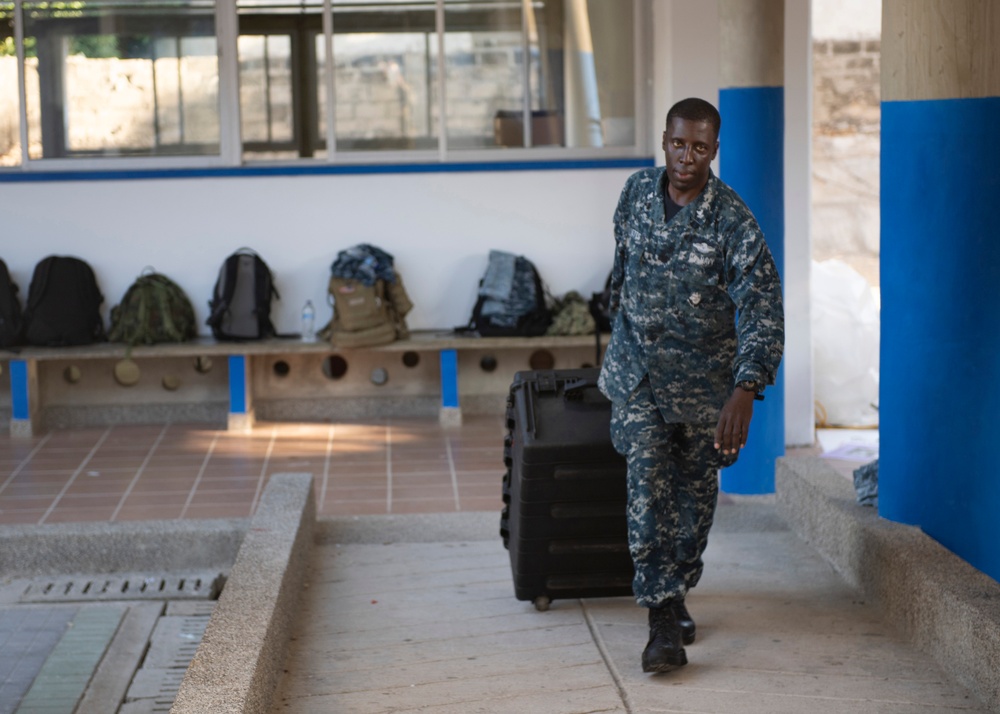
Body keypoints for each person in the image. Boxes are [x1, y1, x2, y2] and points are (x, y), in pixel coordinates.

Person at [598, 97, 784, 673]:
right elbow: (621, 270)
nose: (687, 157)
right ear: (664, 140)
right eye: (679, 144)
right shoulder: (633, 194)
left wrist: (746, 388)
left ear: (714, 150)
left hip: (706, 389)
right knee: (648, 470)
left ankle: (675, 590)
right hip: (639, 377)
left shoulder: (733, 221)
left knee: (694, 501)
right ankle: (660, 623)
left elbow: (762, 309)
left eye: (700, 147)